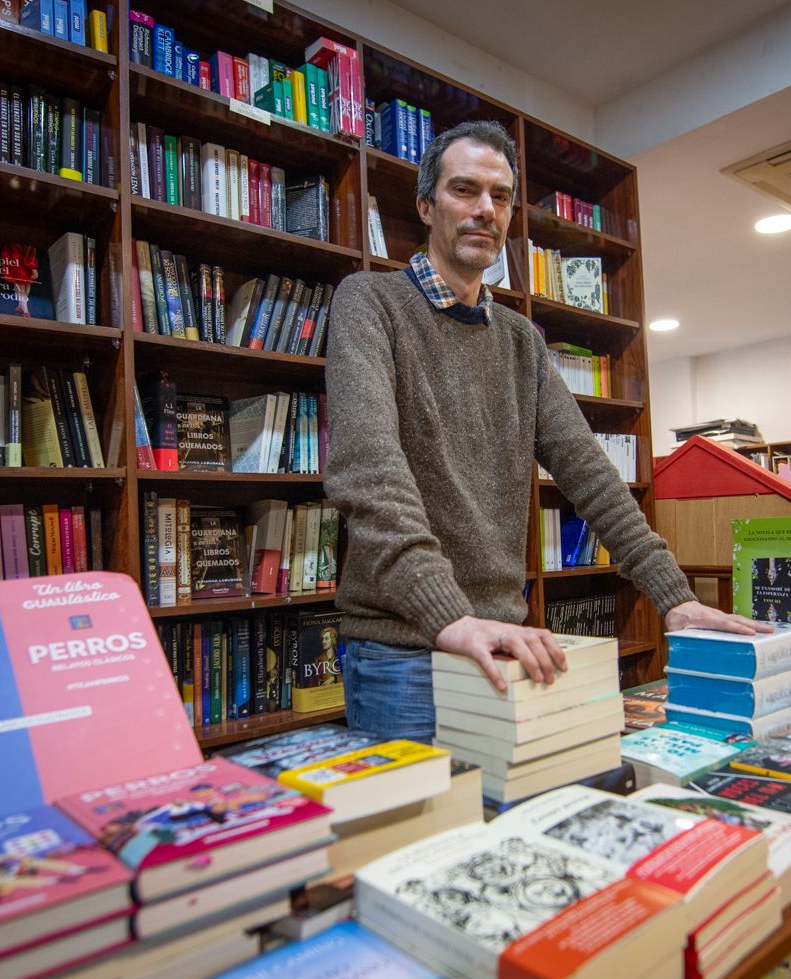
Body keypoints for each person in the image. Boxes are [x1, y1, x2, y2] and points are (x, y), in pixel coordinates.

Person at [324, 120, 768, 742]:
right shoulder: (369, 303)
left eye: (500, 197)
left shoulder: (521, 342)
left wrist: (675, 597)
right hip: (403, 657)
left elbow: (590, 475)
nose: (485, 210)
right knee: (428, 839)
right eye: (465, 190)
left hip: (506, 647)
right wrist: (449, 617)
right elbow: (367, 470)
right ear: (425, 206)